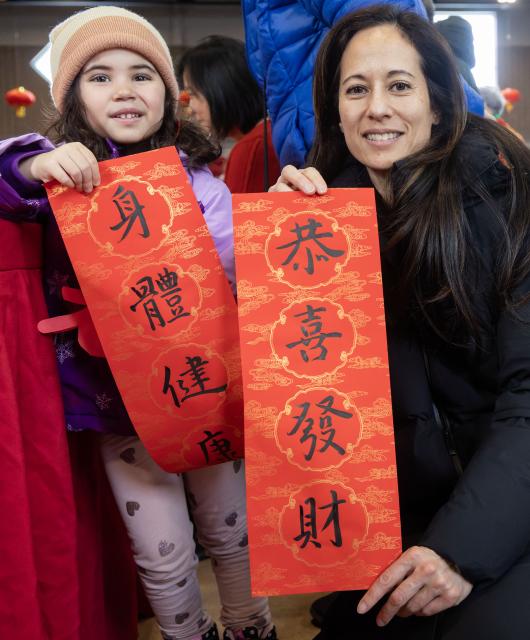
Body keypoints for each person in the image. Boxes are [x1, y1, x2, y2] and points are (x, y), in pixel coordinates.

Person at [0, 7, 277, 640]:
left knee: (231, 533)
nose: (124, 89)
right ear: (72, 102)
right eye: (100, 77)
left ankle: (252, 627)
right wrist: (36, 167)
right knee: (162, 550)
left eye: (141, 74)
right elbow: (5, 174)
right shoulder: (60, 173)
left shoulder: (197, 180)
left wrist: (282, 217)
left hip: (206, 388)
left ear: (169, 96)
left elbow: (243, 254)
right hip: (113, 399)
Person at [271, 5, 530, 639]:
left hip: (508, 505)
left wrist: (459, 550)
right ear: (335, 110)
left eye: (399, 85)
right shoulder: (320, 224)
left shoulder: (512, 200)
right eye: (356, 89)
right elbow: (291, 405)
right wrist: (273, 274)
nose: (377, 108)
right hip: (397, 519)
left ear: (438, 104)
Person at [177, 35, 280, 193]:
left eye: (194, 94)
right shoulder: (271, 135)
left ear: (222, 89)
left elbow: (236, 217)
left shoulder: (253, 147)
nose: (191, 107)